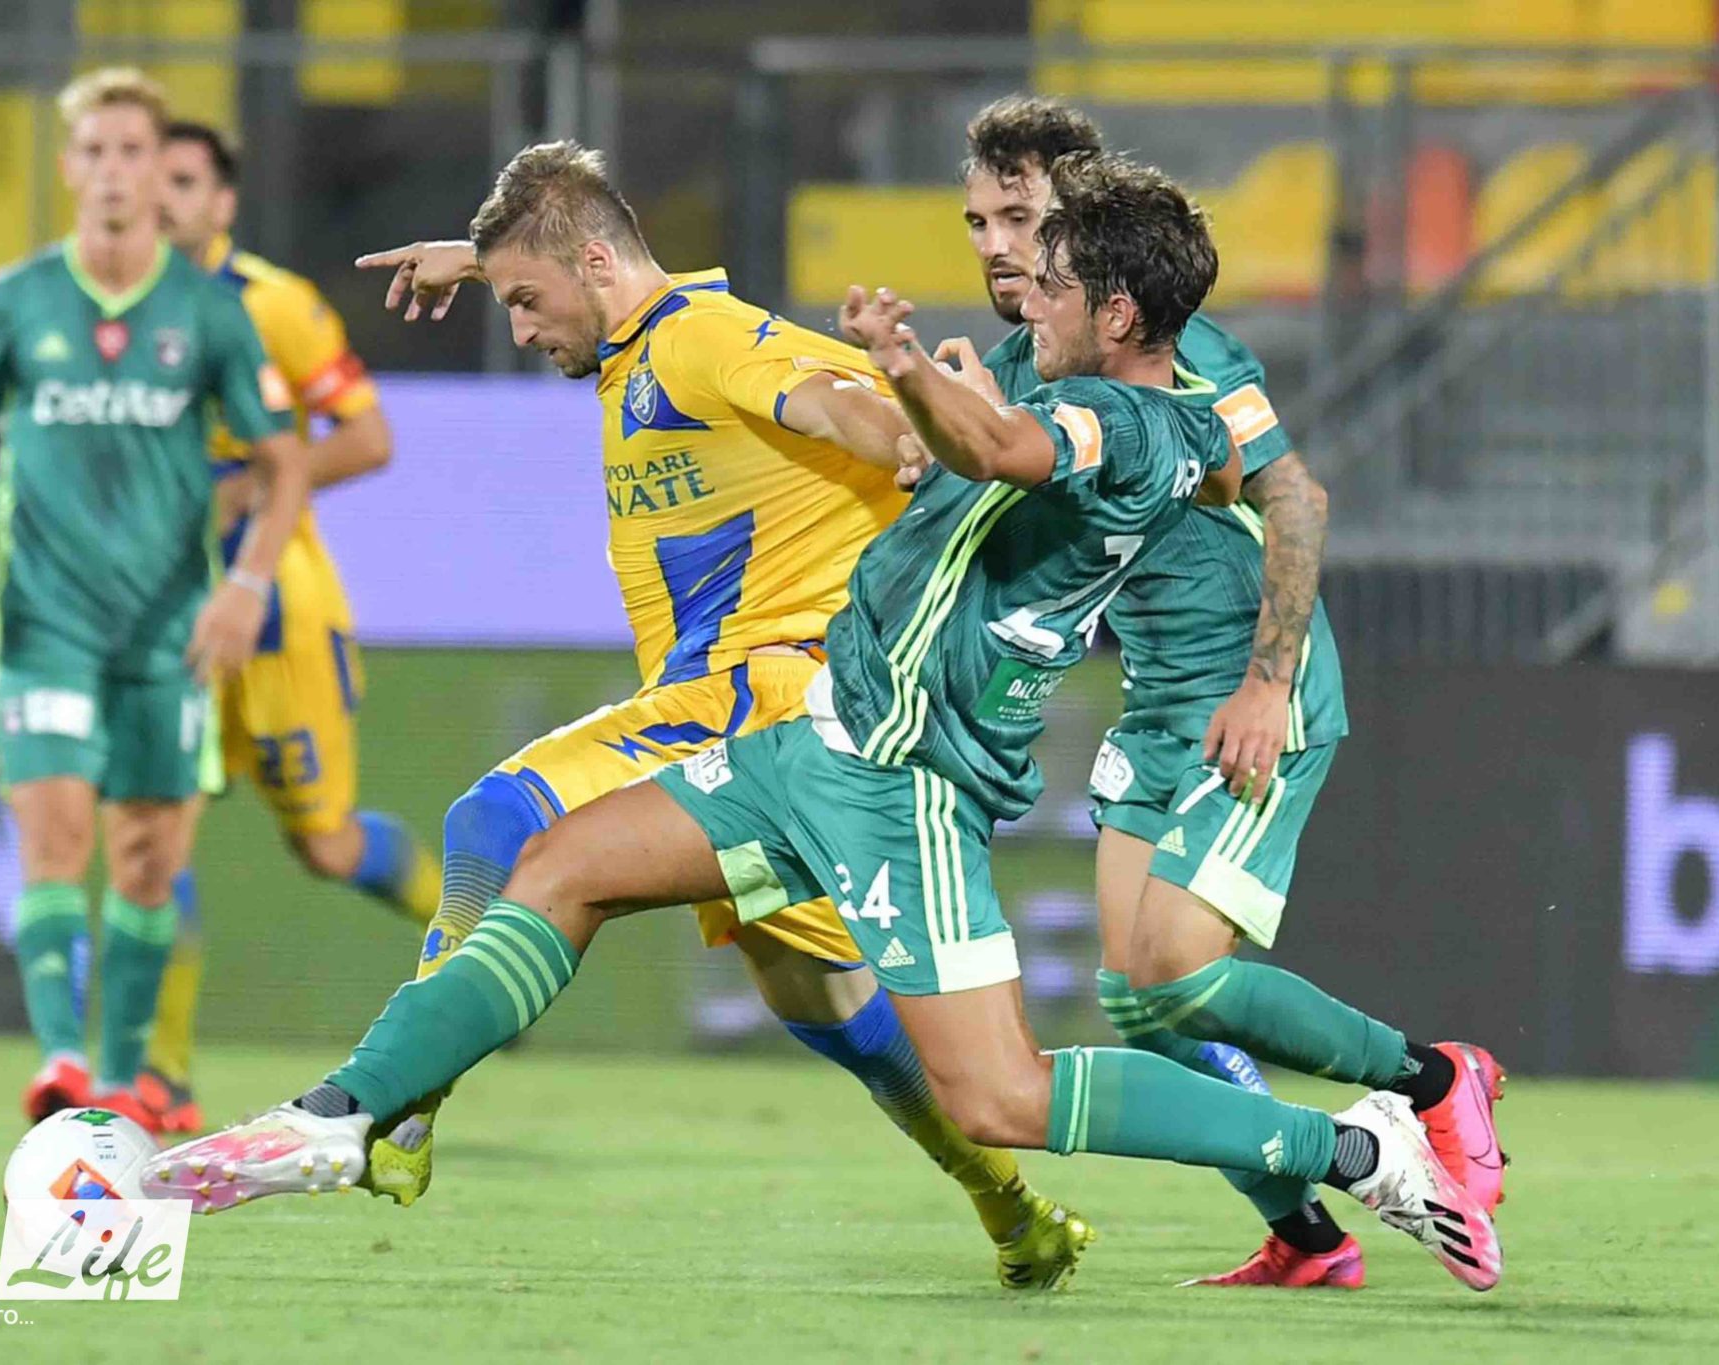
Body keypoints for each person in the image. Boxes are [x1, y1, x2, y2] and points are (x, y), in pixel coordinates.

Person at [144, 150, 1502, 1296]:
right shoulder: (1063, 378)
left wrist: (902, 371)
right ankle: (343, 1115)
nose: (1019, 285)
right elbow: (993, 432)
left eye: (1050, 280)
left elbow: (1005, 452)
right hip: (814, 736)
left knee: (1002, 1096)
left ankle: (1353, 1153)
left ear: (1121, 311)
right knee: (553, 867)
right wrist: (509, 255)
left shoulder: (1127, 426)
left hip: (908, 781)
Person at [225, 140, 1095, 1290]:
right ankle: (1014, 1213)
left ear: (594, 264)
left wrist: (901, 438)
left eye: (526, 301)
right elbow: (587, 260)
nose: (520, 329)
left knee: (497, 818)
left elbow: (833, 399)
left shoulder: (700, 340)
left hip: (760, 690)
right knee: (835, 1012)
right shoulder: (640, 334)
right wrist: (480, 262)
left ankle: (398, 1102)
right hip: (779, 720)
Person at [949, 96, 1508, 1289]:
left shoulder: (1182, 350)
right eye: (978, 221)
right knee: (1137, 1000)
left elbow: (1295, 498)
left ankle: (1432, 1077)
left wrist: (1266, 684)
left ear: (1082, 223)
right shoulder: (1020, 359)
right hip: (1156, 697)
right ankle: (1304, 1238)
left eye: (1019, 217)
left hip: (1247, 690)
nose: (997, 246)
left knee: (1179, 970)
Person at [0, 68, 309, 1126]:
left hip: (167, 629)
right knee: (53, 839)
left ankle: (123, 1078)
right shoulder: (16, 300)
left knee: (147, 858)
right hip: (45, 621)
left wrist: (246, 585)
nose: (116, 173)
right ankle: (58, 1064)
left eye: (135, 152)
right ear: (68, 168)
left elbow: (283, 464)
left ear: (159, 170)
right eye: (96, 152)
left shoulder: (208, 314)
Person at [125, 118, 442, 1135]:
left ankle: (474, 951)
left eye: (182, 180)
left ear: (222, 203)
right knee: (153, 837)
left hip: (277, 618)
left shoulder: (275, 306)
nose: (159, 195)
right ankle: (161, 1080)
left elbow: (369, 437)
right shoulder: (104, 313)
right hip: (164, 619)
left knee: (328, 846)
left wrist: (245, 487)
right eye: (147, 175)